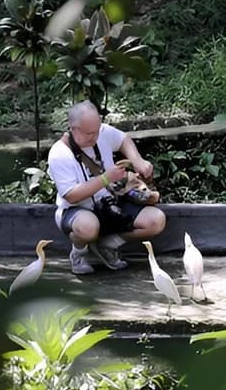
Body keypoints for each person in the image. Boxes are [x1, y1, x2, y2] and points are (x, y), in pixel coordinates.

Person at [48, 100, 166, 274]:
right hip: (77, 210)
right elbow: (71, 195)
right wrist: (105, 179)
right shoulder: (59, 154)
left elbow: (123, 140)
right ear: (73, 128)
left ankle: (108, 245)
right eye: (89, 134)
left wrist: (137, 161)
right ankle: (79, 252)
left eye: (97, 131)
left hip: (110, 203)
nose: (95, 137)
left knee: (156, 220)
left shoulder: (100, 131)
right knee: (88, 227)